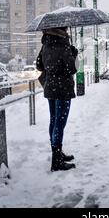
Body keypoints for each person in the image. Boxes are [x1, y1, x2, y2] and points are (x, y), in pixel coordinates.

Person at [36, 26, 78, 171]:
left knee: (54, 120)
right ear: (62, 30)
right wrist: (73, 53)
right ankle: (56, 161)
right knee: (60, 123)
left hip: (50, 88)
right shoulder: (64, 45)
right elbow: (71, 69)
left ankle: (57, 153)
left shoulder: (45, 45)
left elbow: (39, 65)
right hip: (63, 89)